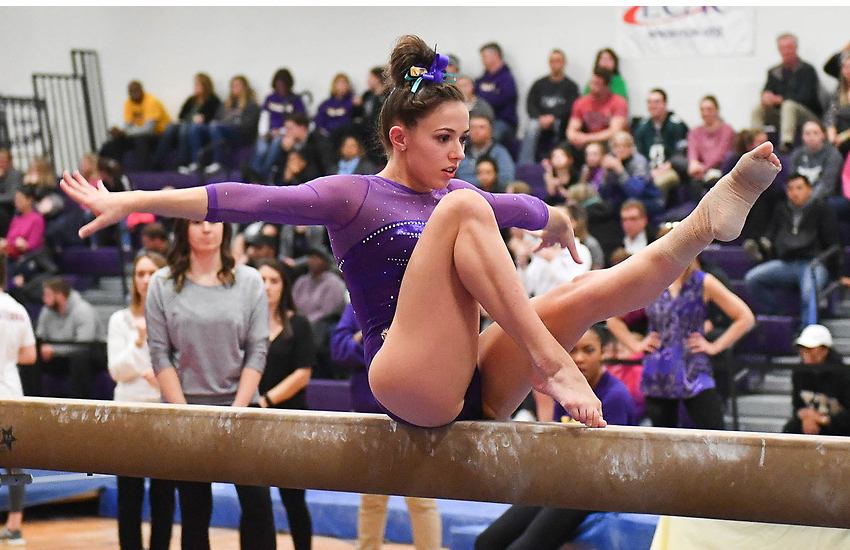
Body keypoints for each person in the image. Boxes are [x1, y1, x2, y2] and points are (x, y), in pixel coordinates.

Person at [61, 34, 782, 431]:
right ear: (400, 137)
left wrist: (559, 221)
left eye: (465, 137)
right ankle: (553, 364)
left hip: (471, 375)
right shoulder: (355, 195)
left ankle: (701, 224)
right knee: (466, 208)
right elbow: (249, 198)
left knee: (589, 288)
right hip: (403, 377)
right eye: (445, 139)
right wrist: (134, 201)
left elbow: (528, 209)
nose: (459, 153)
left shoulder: (458, 194)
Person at [143, 218, 276, 550]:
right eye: (197, 222)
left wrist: (237, 411)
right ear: (183, 229)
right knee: (194, 511)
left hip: (241, 409)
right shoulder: (162, 283)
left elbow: (258, 349)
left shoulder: (249, 281)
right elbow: (159, 352)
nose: (207, 228)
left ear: (225, 228)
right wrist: (185, 414)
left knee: (258, 506)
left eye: (214, 221)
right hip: (185, 411)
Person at [474, 324, 635, 550]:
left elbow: (611, 463)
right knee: (486, 542)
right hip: (565, 480)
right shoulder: (567, 392)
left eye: (589, 350)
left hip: (596, 486)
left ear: (604, 352)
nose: (579, 358)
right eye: (573, 350)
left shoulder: (615, 396)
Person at [331, 302, 443, 550]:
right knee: (372, 498)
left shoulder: (415, 301)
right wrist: (380, 347)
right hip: (369, 414)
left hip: (412, 413)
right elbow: (338, 348)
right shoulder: (359, 303)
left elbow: (422, 350)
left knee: (420, 498)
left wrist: (364, 341)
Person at [607, 245, 755, 430]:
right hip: (658, 371)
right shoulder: (650, 282)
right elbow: (613, 318)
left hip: (694, 369)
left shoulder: (704, 282)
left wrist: (715, 346)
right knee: (662, 439)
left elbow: (745, 317)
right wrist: (635, 344)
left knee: (715, 431)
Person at [107, 252, 176, 550]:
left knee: (163, 492)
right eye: (140, 274)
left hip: (164, 410)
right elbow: (116, 371)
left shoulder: (175, 317)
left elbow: (179, 364)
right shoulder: (119, 320)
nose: (145, 280)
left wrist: (162, 377)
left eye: (152, 273)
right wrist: (138, 341)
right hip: (128, 411)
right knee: (129, 492)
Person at [255, 258, 314, 550]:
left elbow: (303, 374)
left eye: (274, 280)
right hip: (254, 421)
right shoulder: (245, 325)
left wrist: (266, 400)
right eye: (261, 280)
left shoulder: (299, 325)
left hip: (289, 420)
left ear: (284, 285)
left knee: (293, 499)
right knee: (254, 501)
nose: (267, 287)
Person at [743, 172, 843, 327]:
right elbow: (771, 234)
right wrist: (764, 245)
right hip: (787, 263)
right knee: (753, 279)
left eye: (799, 188)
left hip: (813, 263)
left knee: (809, 291)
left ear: (810, 189)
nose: (794, 193)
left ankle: (807, 332)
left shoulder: (822, 208)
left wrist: (839, 274)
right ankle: (778, 317)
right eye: (790, 189)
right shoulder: (781, 208)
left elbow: (834, 243)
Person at [0, 251, 37, 547]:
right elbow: (30, 355)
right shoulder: (17, 309)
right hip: (11, 393)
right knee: (14, 462)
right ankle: (15, 526)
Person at [751, 33, 822, 153]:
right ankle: (755, 141)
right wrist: (766, 98)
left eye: (789, 47)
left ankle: (786, 143)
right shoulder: (774, 72)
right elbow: (767, 90)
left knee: (789, 105)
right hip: (782, 115)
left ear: (796, 48)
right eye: (783, 48)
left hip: (805, 115)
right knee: (757, 109)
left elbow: (807, 97)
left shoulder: (807, 70)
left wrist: (780, 99)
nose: (786, 51)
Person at [36, 276, 104, 399]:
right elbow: (40, 336)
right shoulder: (46, 311)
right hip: (60, 356)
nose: (44, 299)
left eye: (48, 295)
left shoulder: (83, 310)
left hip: (90, 355)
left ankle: (79, 401)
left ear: (60, 296)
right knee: (32, 355)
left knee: (80, 357)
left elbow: (84, 344)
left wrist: (54, 351)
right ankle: (31, 397)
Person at [783, 324, 850, 436]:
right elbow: (797, 406)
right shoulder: (799, 373)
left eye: (810, 349)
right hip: (812, 424)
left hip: (839, 429)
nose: (805, 352)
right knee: (790, 429)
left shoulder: (844, 375)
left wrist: (823, 419)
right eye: (802, 348)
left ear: (825, 350)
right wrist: (807, 417)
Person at [519, 49, 580, 164]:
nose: (555, 64)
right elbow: (530, 104)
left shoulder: (571, 86)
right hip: (540, 120)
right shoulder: (539, 84)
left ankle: (557, 161)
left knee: (561, 126)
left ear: (564, 63)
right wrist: (540, 117)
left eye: (558, 61)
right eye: (552, 61)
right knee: (532, 127)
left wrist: (553, 117)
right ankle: (525, 164)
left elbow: (572, 107)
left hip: (560, 120)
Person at [247, 68, 307, 181]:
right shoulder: (271, 98)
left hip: (284, 133)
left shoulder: (295, 100)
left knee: (276, 143)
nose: (281, 88)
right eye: (278, 85)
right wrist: (265, 132)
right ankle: (252, 172)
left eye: (283, 85)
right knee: (262, 148)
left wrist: (281, 131)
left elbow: (298, 122)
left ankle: (264, 173)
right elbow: (264, 117)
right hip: (269, 132)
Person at [152, 73, 221, 171]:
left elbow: (214, 117)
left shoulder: (213, 100)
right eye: (195, 84)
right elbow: (181, 115)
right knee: (170, 126)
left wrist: (202, 119)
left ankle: (183, 161)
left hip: (200, 127)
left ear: (205, 85)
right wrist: (188, 119)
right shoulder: (191, 100)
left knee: (185, 128)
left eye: (198, 84)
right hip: (186, 122)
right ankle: (157, 160)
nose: (196, 87)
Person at [632, 88, 690, 207]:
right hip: (649, 170)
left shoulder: (677, 125)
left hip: (671, 170)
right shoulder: (642, 127)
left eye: (657, 102)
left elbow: (680, 154)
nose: (652, 106)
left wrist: (660, 170)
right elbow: (639, 153)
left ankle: (656, 209)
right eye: (650, 102)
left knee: (657, 183)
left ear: (665, 104)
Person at [99, 81, 171, 171]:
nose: (134, 94)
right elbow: (128, 125)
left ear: (142, 90)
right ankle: (113, 169)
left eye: (136, 91)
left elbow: (148, 129)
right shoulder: (128, 103)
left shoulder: (151, 101)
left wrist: (125, 132)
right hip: (137, 135)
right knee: (114, 142)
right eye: (131, 92)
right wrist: (120, 133)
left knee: (140, 140)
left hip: (159, 135)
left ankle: (144, 172)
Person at [199, 75, 261, 176]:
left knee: (217, 126)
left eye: (237, 85)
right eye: (232, 86)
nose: (234, 88)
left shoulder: (251, 105)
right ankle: (195, 163)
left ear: (244, 88)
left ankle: (217, 162)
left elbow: (248, 128)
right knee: (200, 128)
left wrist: (229, 125)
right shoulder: (226, 105)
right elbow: (216, 119)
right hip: (223, 133)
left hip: (240, 135)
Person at [566, 67, 628, 154]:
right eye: (592, 83)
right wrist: (573, 137)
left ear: (606, 86)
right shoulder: (581, 102)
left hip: (608, 142)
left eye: (596, 84)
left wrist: (586, 138)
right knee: (562, 151)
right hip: (587, 141)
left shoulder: (619, 102)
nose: (592, 87)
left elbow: (614, 131)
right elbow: (572, 127)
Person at [686, 95, 737, 199]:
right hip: (699, 172)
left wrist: (704, 168)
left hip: (720, 171)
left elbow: (721, 154)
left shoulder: (727, 130)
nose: (705, 113)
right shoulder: (695, 131)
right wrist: (693, 163)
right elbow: (692, 152)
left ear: (716, 110)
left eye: (709, 109)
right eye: (702, 110)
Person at [455, 115, 515, 189]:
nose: (476, 131)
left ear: (491, 131)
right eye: (473, 127)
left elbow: (506, 179)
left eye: (481, 127)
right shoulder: (461, 152)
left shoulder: (500, 153)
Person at [475, 42, 518, 144]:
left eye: (484, 57)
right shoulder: (481, 79)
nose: (482, 60)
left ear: (495, 56)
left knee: (490, 136)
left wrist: (481, 96)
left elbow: (500, 100)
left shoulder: (507, 79)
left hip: (502, 121)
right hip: (481, 119)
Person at [790, 120, 844, 201]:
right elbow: (791, 179)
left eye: (815, 133)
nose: (811, 137)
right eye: (807, 133)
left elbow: (827, 184)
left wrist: (808, 198)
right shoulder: (796, 154)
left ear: (823, 135)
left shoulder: (833, 155)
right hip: (798, 197)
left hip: (825, 198)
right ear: (802, 136)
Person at [313, 73, 356, 150]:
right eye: (339, 83)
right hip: (327, 136)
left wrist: (357, 107)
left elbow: (354, 120)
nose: (341, 86)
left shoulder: (353, 102)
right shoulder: (326, 104)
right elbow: (318, 121)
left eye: (344, 83)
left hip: (343, 136)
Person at [824, 53, 850, 159]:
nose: (848, 70)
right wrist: (831, 131)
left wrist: (843, 136)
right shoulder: (839, 92)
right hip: (839, 137)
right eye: (845, 67)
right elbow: (831, 114)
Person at [0, 149, 24, 236]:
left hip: (11, 207)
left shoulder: (15, 174)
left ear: (9, 162)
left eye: (3, 161)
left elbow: (12, 196)